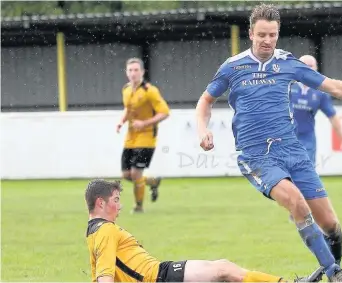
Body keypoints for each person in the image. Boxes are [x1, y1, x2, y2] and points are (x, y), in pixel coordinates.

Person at [195, 3, 342, 283]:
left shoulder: (287, 63)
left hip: (293, 151)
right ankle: (336, 274)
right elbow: (205, 101)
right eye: (262, 35)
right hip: (257, 156)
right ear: (251, 33)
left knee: (331, 226)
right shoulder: (232, 67)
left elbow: (335, 86)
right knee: (296, 203)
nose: (267, 40)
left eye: (272, 35)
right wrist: (202, 129)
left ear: (278, 33)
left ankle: (326, 270)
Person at [84, 179, 313, 282]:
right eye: (115, 199)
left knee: (224, 270)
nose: (120, 205)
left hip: (159, 275)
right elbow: (105, 279)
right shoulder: (104, 231)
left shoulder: (95, 232)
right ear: (100, 203)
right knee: (224, 270)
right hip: (159, 277)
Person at [117, 58, 169, 214]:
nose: (133, 73)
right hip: (130, 137)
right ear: (126, 73)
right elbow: (128, 109)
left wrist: (145, 123)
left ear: (142, 72)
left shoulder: (150, 90)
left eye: (136, 70)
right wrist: (121, 121)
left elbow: (165, 112)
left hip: (147, 138)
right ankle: (152, 181)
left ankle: (138, 206)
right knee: (126, 175)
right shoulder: (126, 90)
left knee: (135, 173)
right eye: (130, 70)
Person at [290, 55, 342, 165]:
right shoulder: (288, 86)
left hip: (307, 138)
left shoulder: (320, 93)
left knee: (306, 173)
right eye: (304, 65)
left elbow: (332, 117)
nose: (308, 68)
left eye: (311, 66)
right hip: (286, 137)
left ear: (316, 68)